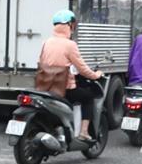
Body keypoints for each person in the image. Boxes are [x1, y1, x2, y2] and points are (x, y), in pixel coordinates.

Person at [38, 10, 104, 141]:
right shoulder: (70, 45)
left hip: (45, 87)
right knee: (88, 98)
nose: (73, 27)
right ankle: (84, 132)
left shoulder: (46, 42)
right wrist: (96, 75)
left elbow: (41, 62)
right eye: (72, 24)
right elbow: (83, 68)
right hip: (64, 89)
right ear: (68, 25)